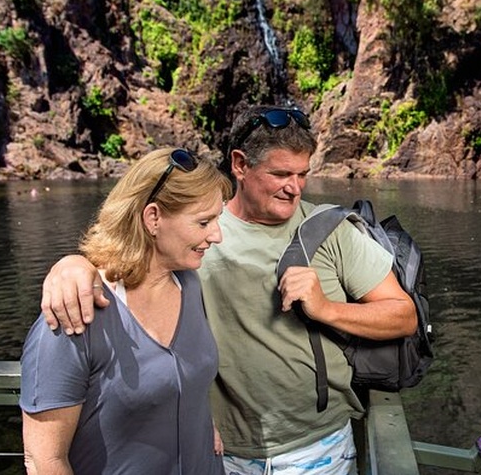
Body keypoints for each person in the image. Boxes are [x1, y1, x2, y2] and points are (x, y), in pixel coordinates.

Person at [39, 106, 418, 475]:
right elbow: (131, 258)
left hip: (317, 448)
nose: (295, 187)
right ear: (239, 164)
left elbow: (404, 316)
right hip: (218, 449)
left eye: (303, 174)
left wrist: (326, 308)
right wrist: (74, 266)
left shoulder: (332, 229)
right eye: (281, 173)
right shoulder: (197, 232)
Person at [21, 147, 232, 475]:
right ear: (153, 218)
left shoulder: (189, 285)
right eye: (204, 221)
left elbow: (184, 377)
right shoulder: (75, 314)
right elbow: (44, 460)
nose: (217, 235)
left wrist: (203, 423)